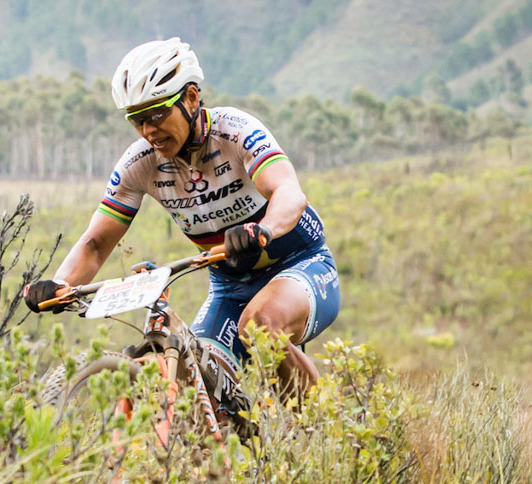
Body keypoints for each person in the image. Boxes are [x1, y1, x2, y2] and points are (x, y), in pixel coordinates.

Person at [23, 37, 341, 397]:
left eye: (157, 114)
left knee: (260, 327)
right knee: (198, 383)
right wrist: (59, 285)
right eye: (137, 120)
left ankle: (328, 431)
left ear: (191, 98)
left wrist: (262, 228)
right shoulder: (138, 163)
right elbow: (96, 244)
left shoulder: (234, 131)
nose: (149, 131)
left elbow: (288, 192)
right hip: (230, 286)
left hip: (300, 264)